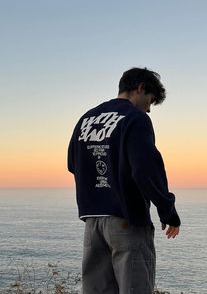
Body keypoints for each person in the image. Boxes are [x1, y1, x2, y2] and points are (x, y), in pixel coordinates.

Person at [68, 67, 181, 294]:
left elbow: (73, 163)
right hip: (126, 220)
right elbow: (146, 169)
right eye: (150, 101)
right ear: (140, 88)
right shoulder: (135, 118)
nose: (149, 109)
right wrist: (168, 211)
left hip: (92, 221)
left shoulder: (87, 119)